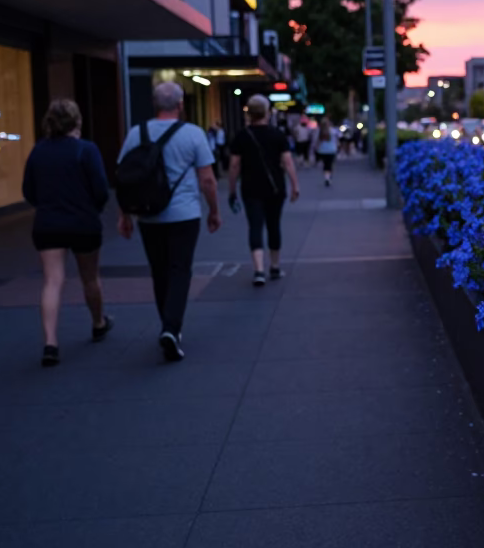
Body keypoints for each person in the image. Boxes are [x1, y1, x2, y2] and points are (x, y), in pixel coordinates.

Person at [117, 82, 220, 363]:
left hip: (148, 215)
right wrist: (214, 210)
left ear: (154, 104)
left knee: (159, 271)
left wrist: (124, 215)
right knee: (180, 269)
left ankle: (168, 324)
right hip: (184, 214)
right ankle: (171, 329)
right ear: (181, 104)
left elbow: (123, 176)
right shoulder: (194, 134)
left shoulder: (136, 133)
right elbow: (208, 180)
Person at [22, 99, 112, 367]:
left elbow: (29, 191)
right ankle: (98, 322)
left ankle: (50, 342)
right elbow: (101, 190)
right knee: (90, 277)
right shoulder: (86, 150)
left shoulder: (38, 151)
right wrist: (90, 209)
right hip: (83, 223)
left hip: (48, 223)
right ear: (77, 122)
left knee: (52, 281)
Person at [228, 95, 300, 286]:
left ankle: (258, 270)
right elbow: (287, 162)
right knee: (274, 225)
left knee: (255, 226)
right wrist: (295, 185)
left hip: (250, 187)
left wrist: (232, 188)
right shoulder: (277, 134)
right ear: (267, 112)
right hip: (275, 187)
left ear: (249, 114)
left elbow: (234, 165)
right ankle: (274, 266)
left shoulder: (242, 136)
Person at [315, 117, 341, 187]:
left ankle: (326, 177)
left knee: (325, 165)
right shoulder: (333, 130)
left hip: (322, 150)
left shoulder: (319, 131)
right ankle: (328, 177)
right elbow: (338, 138)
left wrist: (316, 148)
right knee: (330, 164)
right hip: (332, 150)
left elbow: (317, 141)